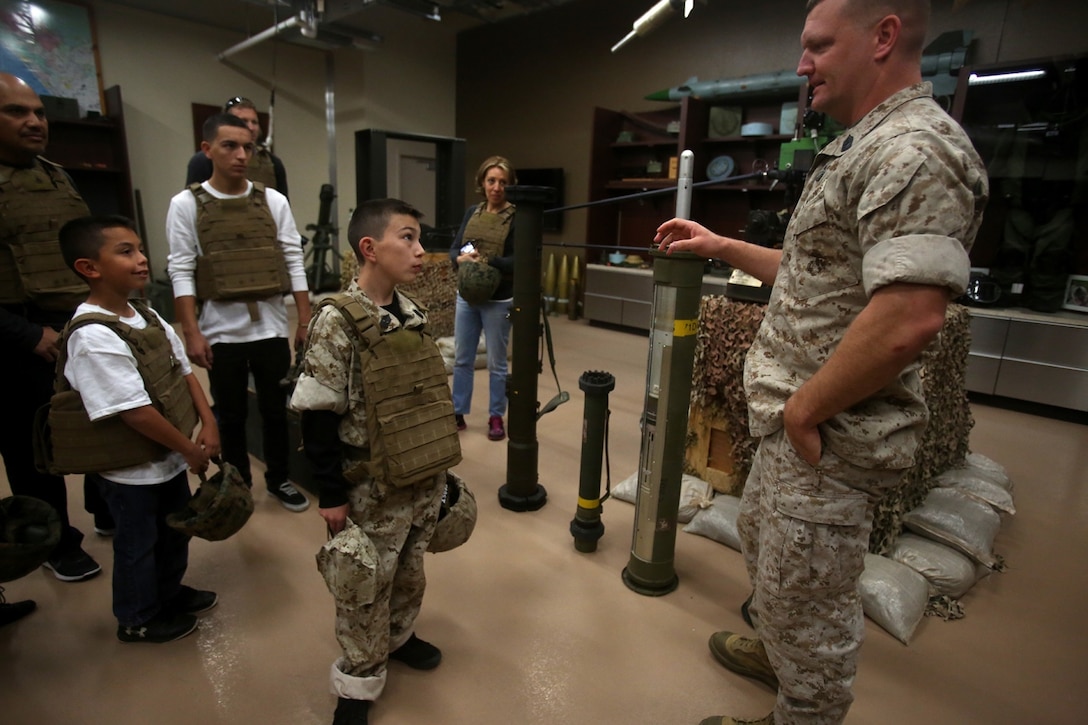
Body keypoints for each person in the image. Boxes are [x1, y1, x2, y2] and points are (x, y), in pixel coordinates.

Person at [654, 1, 988, 723]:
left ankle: (802, 704)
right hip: (790, 421)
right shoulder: (859, 144)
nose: (802, 65)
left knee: (810, 594)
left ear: (884, 36)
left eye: (817, 47)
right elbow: (816, 274)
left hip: (825, 434)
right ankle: (779, 652)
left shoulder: (915, 150)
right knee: (770, 560)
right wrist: (720, 246)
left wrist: (806, 408)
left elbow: (909, 319)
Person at [290, 198, 461, 725]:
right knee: (364, 588)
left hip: (417, 477)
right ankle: (358, 684)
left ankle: (401, 637)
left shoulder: (411, 315)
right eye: (407, 238)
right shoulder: (335, 321)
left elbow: (425, 399)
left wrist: (437, 467)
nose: (420, 250)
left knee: (410, 572)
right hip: (367, 486)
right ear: (370, 248)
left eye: (420, 238)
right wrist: (332, 494)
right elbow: (317, 415)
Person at [57, 215, 221, 643]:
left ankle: (167, 593)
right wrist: (189, 448)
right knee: (138, 545)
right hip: (131, 471)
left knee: (173, 534)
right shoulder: (92, 335)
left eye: (140, 249)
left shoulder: (145, 314)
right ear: (89, 268)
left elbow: (184, 372)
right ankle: (137, 616)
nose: (142, 259)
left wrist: (209, 421)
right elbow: (135, 412)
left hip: (165, 459)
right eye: (125, 251)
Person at [166, 113, 312, 513]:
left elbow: (293, 260)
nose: (242, 154)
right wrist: (191, 333)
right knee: (229, 416)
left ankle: (279, 478)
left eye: (248, 146)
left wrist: (304, 320)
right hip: (219, 330)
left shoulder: (273, 199)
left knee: (275, 412)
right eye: (230, 145)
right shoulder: (185, 204)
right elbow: (181, 270)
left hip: (269, 327)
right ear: (207, 149)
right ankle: (239, 482)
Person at [0, 72, 103, 587]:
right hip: (19, 333)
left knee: (101, 417)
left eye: (38, 111)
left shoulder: (57, 176)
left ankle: (106, 509)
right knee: (34, 444)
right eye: (16, 112)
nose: (34, 121)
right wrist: (27, 336)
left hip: (76, 322)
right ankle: (55, 540)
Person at [448, 155, 517, 441]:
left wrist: (489, 261)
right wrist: (462, 259)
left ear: (510, 185)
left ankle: (496, 417)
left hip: (498, 300)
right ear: (482, 183)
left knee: (497, 363)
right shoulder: (472, 213)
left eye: (502, 182)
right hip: (466, 297)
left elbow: (519, 261)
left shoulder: (516, 217)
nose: (496, 187)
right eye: (491, 181)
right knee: (462, 359)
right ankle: (458, 412)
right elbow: (454, 251)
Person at [185, 96, 288, 195]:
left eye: (254, 122)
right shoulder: (202, 160)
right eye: (243, 121)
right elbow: (194, 202)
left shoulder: (273, 163)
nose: (251, 127)